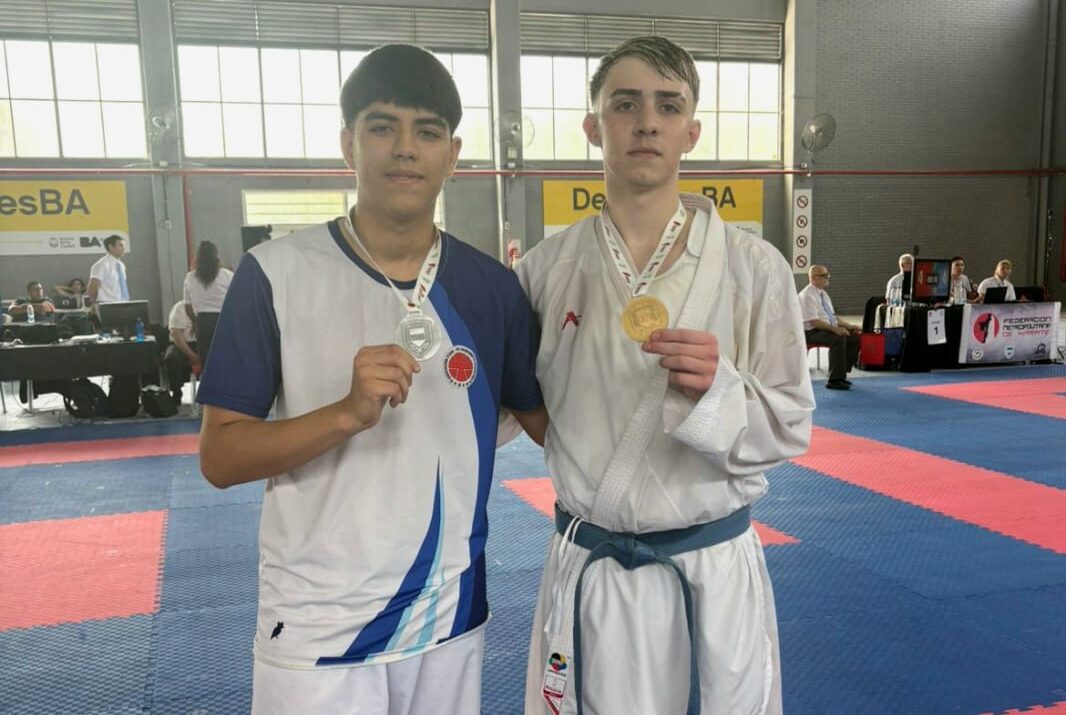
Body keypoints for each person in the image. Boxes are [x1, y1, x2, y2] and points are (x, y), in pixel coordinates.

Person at [195, 44, 545, 715]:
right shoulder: (273, 274)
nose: (405, 148)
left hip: (447, 612)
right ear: (348, 144)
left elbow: (554, 425)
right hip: (317, 621)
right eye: (382, 126)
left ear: (453, 153)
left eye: (428, 132)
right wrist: (345, 414)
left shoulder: (493, 290)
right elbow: (220, 456)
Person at [515, 36, 814, 715]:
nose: (647, 122)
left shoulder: (755, 267)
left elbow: (791, 424)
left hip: (709, 570)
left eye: (668, 106)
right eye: (625, 105)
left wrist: (719, 391)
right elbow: (508, 407)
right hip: (591, 568)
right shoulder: (543, 270)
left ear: (691, 132)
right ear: (594, 127)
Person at [798, 265, 861, 390]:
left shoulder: (823, 294)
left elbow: (832, 317)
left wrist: (850, 326)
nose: (827, 277)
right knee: (838, 338)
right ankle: (834, 380)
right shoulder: (807, 295)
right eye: (824, 275)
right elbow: (815, 322)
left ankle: (841, 373)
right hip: (810, 332)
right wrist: (836, 329)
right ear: (814, 278)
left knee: (854, 337)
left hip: (823, 328)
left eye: (827, 275)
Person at [183, 240, 234, 324]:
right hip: (224, 319)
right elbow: (236, 299)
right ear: (216, 257)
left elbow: (187, 307)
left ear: (198, 258)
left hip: (202, 321)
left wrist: (195, 322)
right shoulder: (227, 275)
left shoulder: (190, 277)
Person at [165, 299, 198, 404]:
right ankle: (176, 392)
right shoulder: (180, 308)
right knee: (172, 357)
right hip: (180, 343)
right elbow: (176, 333)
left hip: (201, 342)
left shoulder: (210, 306)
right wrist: (191, 355)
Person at [88, 234, 129, 306]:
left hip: (122, 303)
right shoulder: (102, 265)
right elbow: (93, 286)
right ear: (111, 247)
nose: (123, 248)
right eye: (120, 245)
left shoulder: (121, 265)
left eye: (123, 246)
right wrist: (94, 304)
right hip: (107, 304)